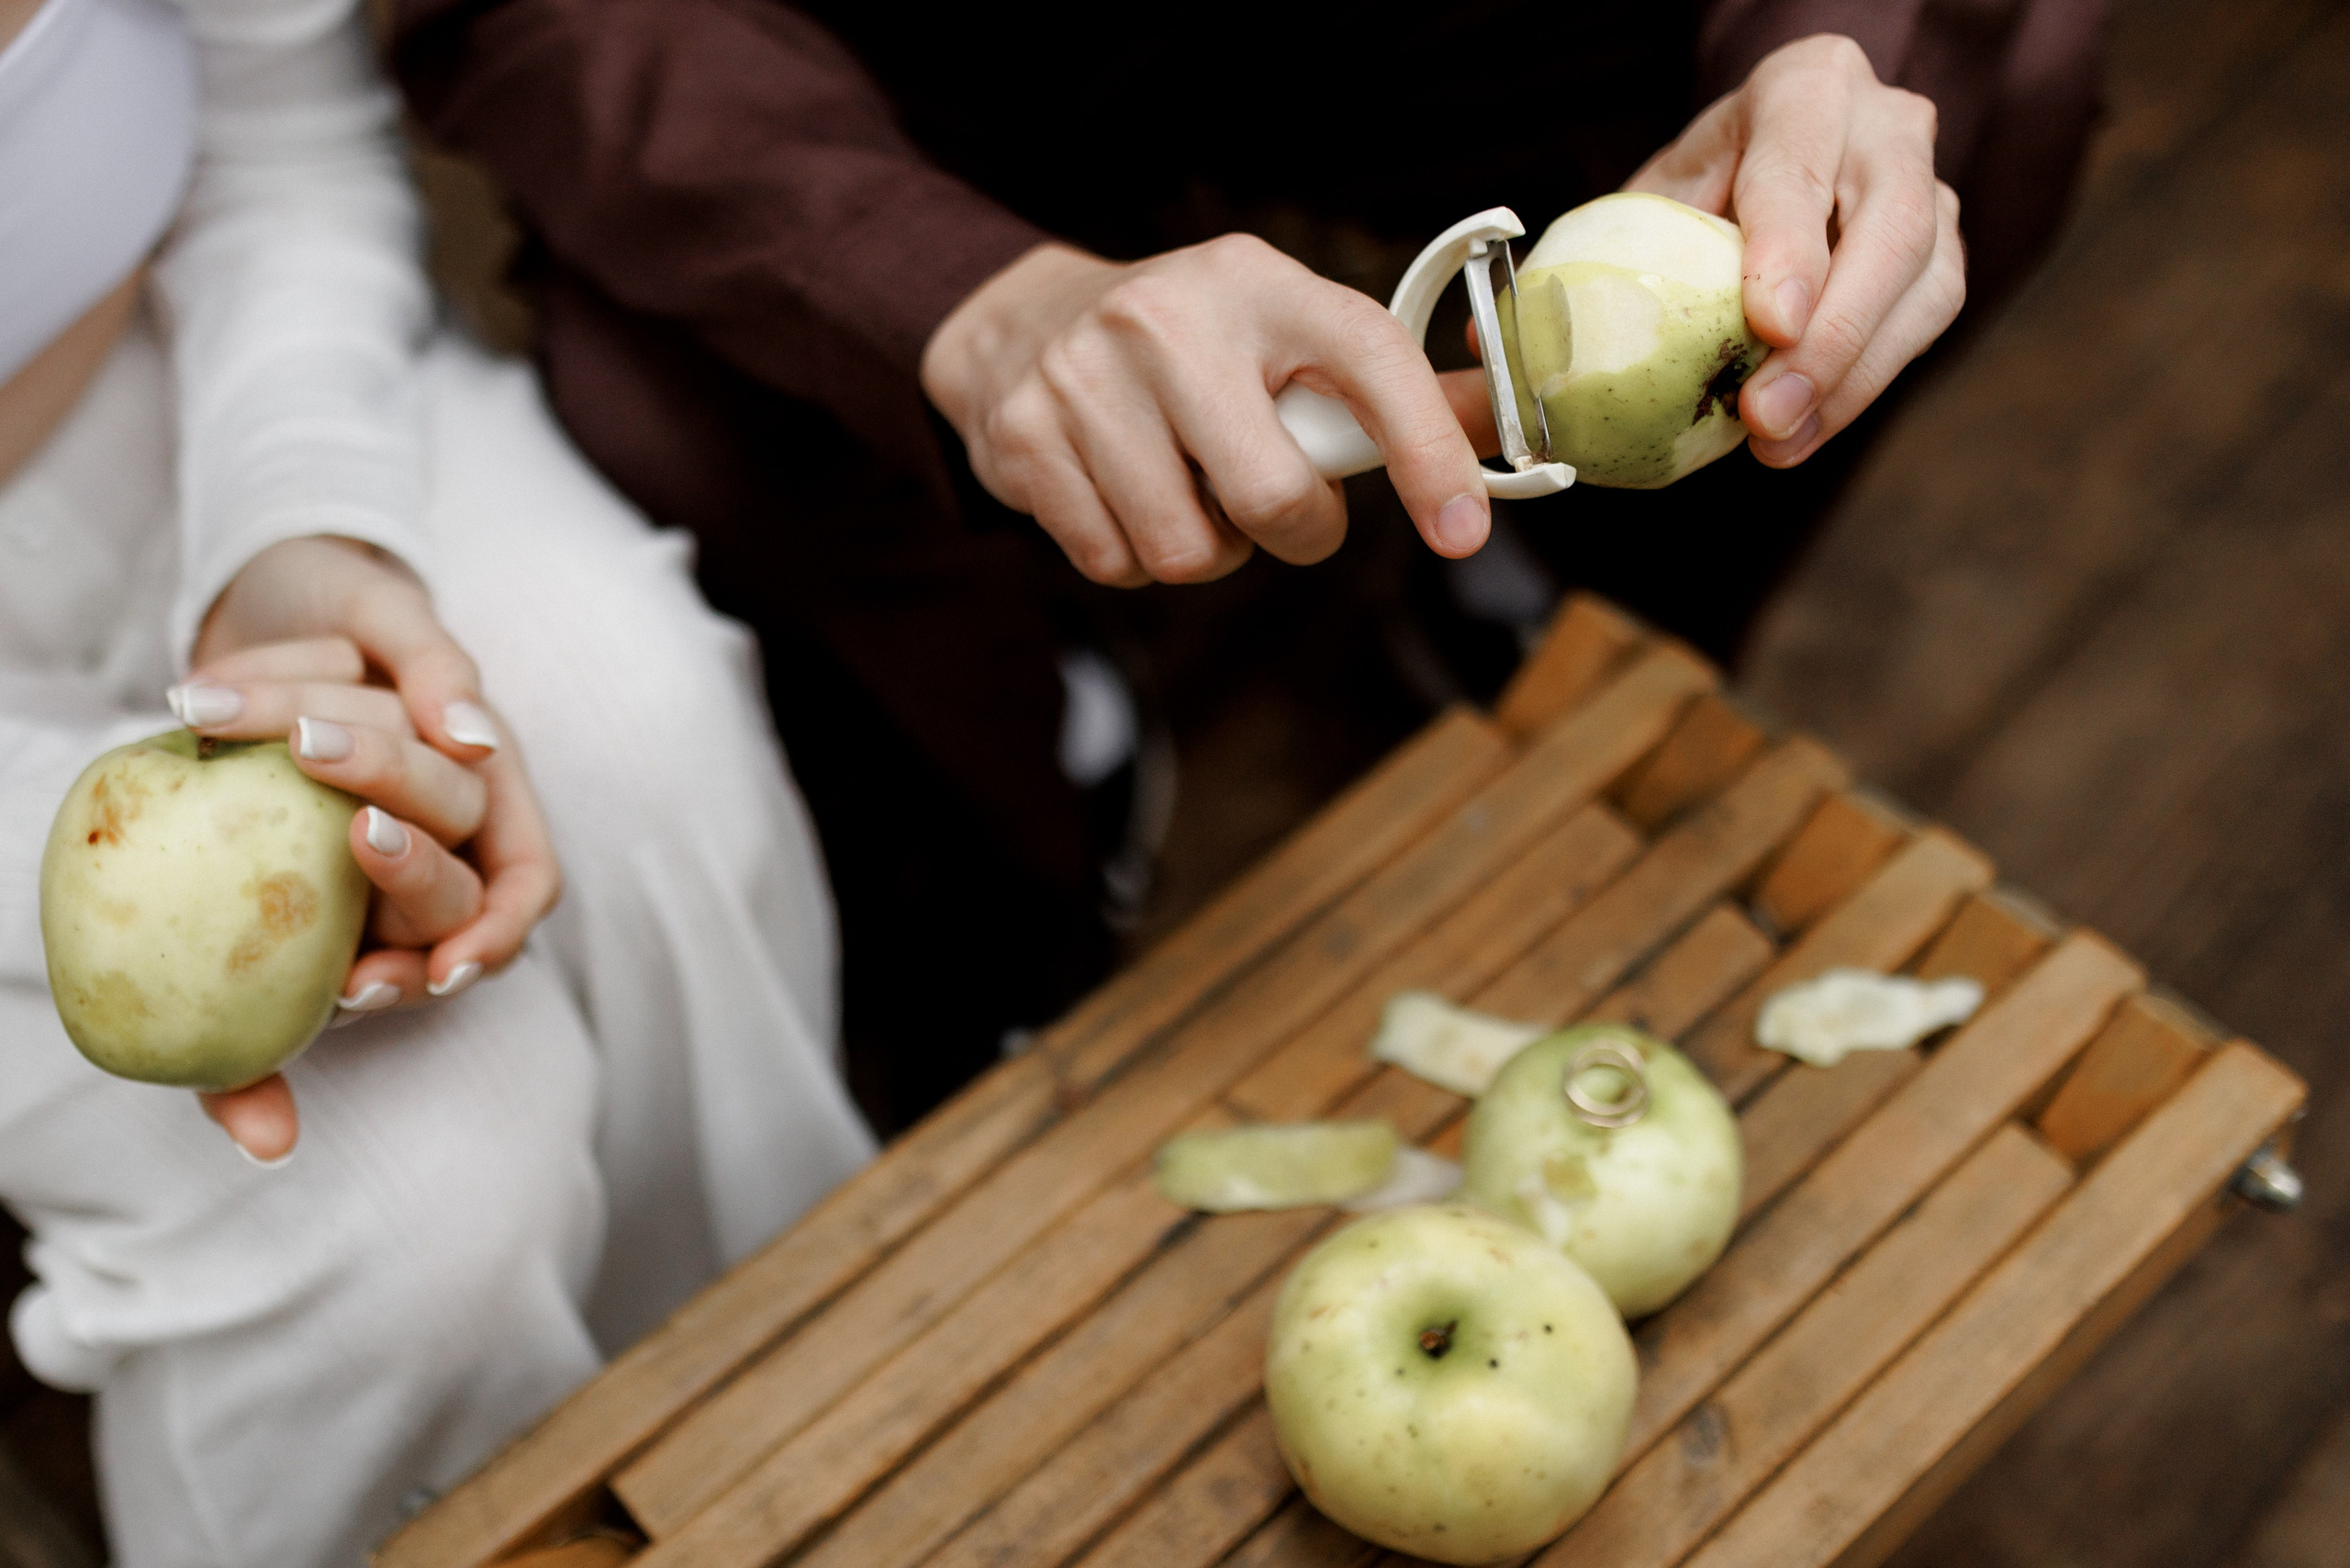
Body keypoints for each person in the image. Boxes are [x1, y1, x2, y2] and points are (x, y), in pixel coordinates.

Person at [386, 0, 2102, 1132]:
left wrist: (1831, 47)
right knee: (677, 406)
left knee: (2000, 62)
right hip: (902, 37)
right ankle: (1029, 785)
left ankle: (1551, 591)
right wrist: (955, 296)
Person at [0, 0, 873, 1558]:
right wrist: (109, 892)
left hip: (205, 385)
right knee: (418, 1206)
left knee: (638, 741)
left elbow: (278, 140)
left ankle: (811, 1425)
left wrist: (299, 526)